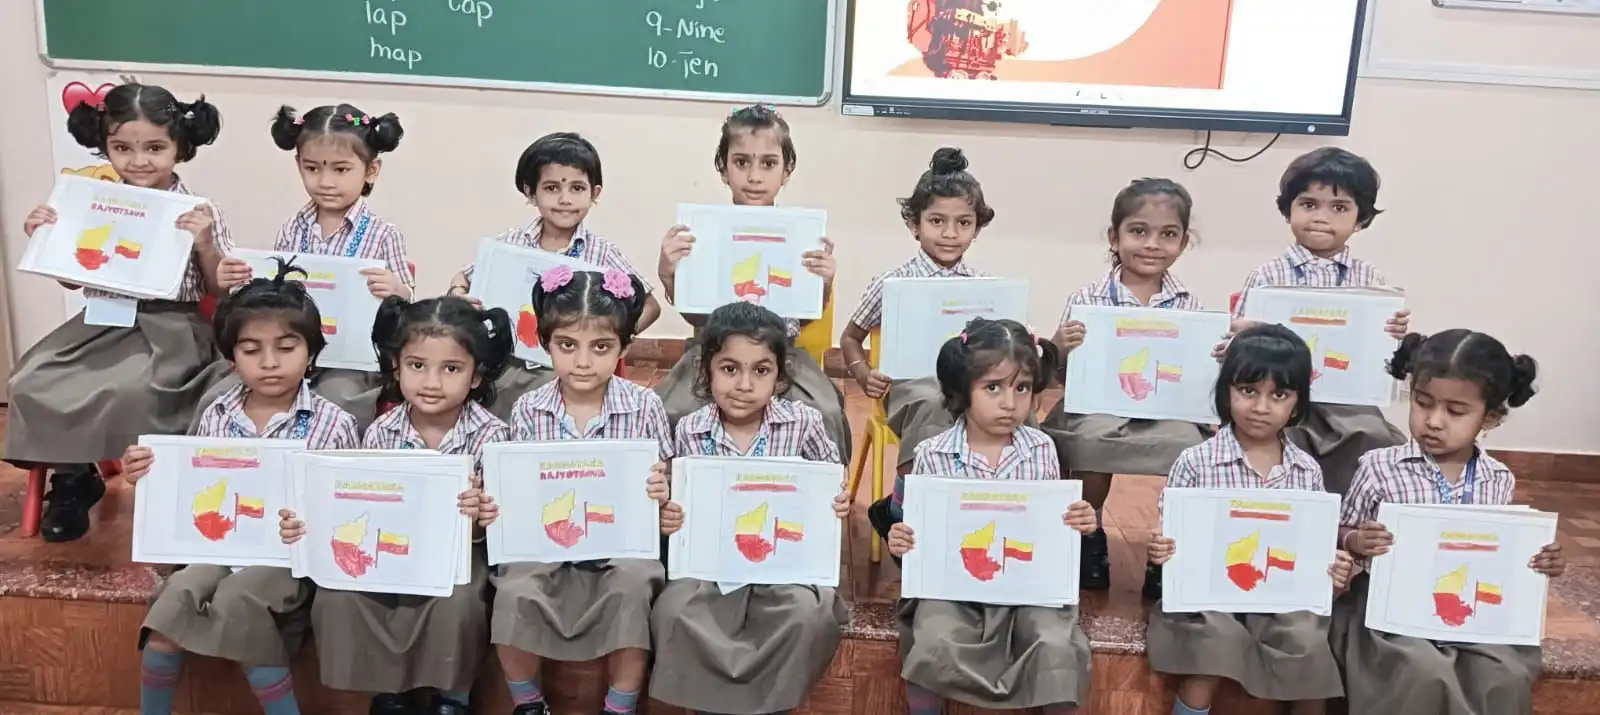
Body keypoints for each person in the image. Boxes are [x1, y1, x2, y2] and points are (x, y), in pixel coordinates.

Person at [120, 258, 360, 715]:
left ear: (311, 351)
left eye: (286, 347)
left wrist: (309, 524)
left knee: (240, 600)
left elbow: (340, 510)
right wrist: (148, 474)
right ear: (232, 358)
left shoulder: (334, 423)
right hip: (218, 548)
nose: (269, 363)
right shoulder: (217, 414)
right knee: (174, 605)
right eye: (252, 350)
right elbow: (192, 485)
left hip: (285, 560)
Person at [6, 82, 234, 542]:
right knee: (32, 381)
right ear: (105, 146)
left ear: (179, 148)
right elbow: (74, 279)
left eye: (155, 147)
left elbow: (219, 290)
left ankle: (157, 489)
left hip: (173, 325)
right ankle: (73, 477)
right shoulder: (91, 200)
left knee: (133, 389)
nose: (139, 160)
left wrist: (205, 243)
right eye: (122, 148)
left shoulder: (198, 209)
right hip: (104, 319)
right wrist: (50, 238)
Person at [278, 296, 513, 715]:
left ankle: (452, 695)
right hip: (392, 548)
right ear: (396, 368)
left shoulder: (494, 437)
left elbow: (496, 526)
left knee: (457, 599)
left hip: (461, 555)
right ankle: (391, 689)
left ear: (476, 376)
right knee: (347, 593)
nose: (432, 382)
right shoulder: (382, 432)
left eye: (452, 369)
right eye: (417, 366)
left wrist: (478, 519)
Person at [1333, 329, 1562, 715]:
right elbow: (1340, 531)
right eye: (1422, 404)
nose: (1433, 421)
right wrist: (1356, 540)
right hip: (1391, 612)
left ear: (1490, 417)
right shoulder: (1379, 468)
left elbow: (1501, 556)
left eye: (1455, 412)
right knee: (1422, 670)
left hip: (1469, 607)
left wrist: (1540, 561)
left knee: (1503, 672)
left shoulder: (1497, 478)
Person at [648, 301, 851, 715]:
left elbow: (830, 482)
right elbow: (680, 508)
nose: (744, 384)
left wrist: (838, 499)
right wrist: (669, 516)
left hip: (785, 566)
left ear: (779, 378)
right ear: (706, 371)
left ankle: (771, 705)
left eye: (761, 371)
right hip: (712, 568)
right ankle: (706, 704)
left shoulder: (805, 424)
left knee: (806, 613)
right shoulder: (690, 429)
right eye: (729, 369)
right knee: (673, 608)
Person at [884, 318, 1095, 714]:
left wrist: (1077, 522)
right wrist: (901, 538)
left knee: (1055, 645)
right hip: (953, 587)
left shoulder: (1042, 449)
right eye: (992, 387)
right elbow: (915, 530)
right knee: (932, 640)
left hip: (1026, 584)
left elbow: (1049, 528)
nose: (1009, 402)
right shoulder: (933, 453)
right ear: (963, 390)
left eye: (1022, 388)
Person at [486, 268, 672, 715]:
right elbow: (521, 489)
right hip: (546, 541)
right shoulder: (531, 407)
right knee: (513, 593)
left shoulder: (644, 405)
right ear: (546, 344)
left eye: (601, 347)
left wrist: (661, 488)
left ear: (624, 347)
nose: (583, 362)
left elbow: (663, 479)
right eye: (567, 346)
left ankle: (620, 705)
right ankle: (528, 703)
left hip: (620, 542)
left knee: (631, 588)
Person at [1145, 324, 1353, 715]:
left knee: (1307, 645)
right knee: (1212, 644)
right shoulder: (1196, 462)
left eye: (1279, 395)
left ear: (1297, 402)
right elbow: (1169, 532)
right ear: (1226, 391)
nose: (1261, 407)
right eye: (1248, 391)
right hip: (1207, 595)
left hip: (1280, 595)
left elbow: (1314, 548)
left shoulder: (1305, 470)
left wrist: (1334, 565)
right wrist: (1161, 547)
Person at [1042, 178, 1212, 594]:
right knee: (1089, 437)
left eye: (1167, 234)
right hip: (1099, 408)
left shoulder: (1189, 305)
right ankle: (1089, 533)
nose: (1152, 244)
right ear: (1113, 237)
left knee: (1195, 449)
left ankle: (1168, 546)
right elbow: (1060, 374)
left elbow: (1195, 375)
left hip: (1167, 413)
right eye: (1139, 231)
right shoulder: (1088, 299)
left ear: (1184, 241)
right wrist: (1060, 347)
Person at [198, 103, 411, 433]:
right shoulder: (292, 228)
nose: (325, 182)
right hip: (287, 348)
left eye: (341, 170)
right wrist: (240, 279)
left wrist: (396, 291)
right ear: (298, 165)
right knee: (216, 396)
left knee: (340, 401)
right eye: (312, 169)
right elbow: (275, 293)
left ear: (371, 170)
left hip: (349, 361)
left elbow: (407, 306)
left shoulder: (384, 234)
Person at [653, 105, 850, 456]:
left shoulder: (802, 236)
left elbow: (805, 314)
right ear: (723, 169)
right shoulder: (702, 231)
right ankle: (671, 501)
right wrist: (670, 274)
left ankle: (823, 505)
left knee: (828, 412)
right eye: (742, 162)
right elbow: (697, 317)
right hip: (711, 353)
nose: (755, 176)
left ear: (786, 170)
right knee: (670, 411)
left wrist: (822, 283)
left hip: (781, 354)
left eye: (768, 164)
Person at [1221, 147, 1410, 496]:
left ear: (1361, 218)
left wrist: (1393, 336)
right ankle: (1281, 512)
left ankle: (1345, 521)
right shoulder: (1267, 277)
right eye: (1309, 204)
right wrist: (1239, 337)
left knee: (1376, 436)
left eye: (1339, 208)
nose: (1322, 217)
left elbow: (1383, 361)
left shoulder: (1371, 281)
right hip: (1280, 395)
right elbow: (1233, 348)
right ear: (1288, 210)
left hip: (1348, 400)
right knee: (1271, 430)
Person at [446, 131, 662, 421]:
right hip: (508, 367)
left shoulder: (601, 252)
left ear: (594, 193)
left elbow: (650, 305)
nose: (564, 199)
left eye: (576, 188)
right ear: (530, 192)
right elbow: (463, 276)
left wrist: (615, 334)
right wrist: (459, 295)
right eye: (551, 188)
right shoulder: (512, 243)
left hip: (568, 374)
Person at [839, 146, 995, 473]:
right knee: (932, 403)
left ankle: (1001, 498)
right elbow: (850, 337)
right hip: (910, 389)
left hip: (969, 385)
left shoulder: (984, 286)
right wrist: (864, 374)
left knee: (1013, 406)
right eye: (937, 221)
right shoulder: (892, 282)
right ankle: (910, 502)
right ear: (914, 224)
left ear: (977, 229)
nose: (950, 234)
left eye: (963, 223)